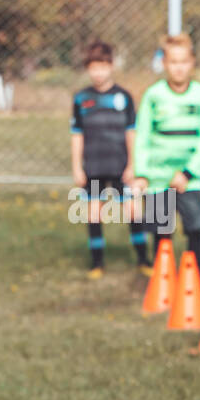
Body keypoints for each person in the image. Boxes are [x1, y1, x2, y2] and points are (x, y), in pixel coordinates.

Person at [132, 34, 200, 271]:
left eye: (183, 62)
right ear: (165, 64)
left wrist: (188, 173)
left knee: (195, 230)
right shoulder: (153, 95)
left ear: (192, 63)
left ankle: (196, 283)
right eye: (173, 62)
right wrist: (143, 173)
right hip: (159, 178)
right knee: (161, 230)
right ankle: (164, 283)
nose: (178, 68)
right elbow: (143, 137)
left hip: (191, 180)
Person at [69, 40, 140, 277]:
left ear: (111, 66)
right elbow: (77, 135)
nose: (98, 73)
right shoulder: (81, 99)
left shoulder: (124, 97)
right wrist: (77, 167)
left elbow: (131, 132)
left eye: (102, 66)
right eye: (93, 67)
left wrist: (132, 164)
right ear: (88, 69)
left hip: (120, 165)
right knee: (93, 212)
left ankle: (143, 258)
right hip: (94, 166)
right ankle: (97, 262)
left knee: (132, 210)